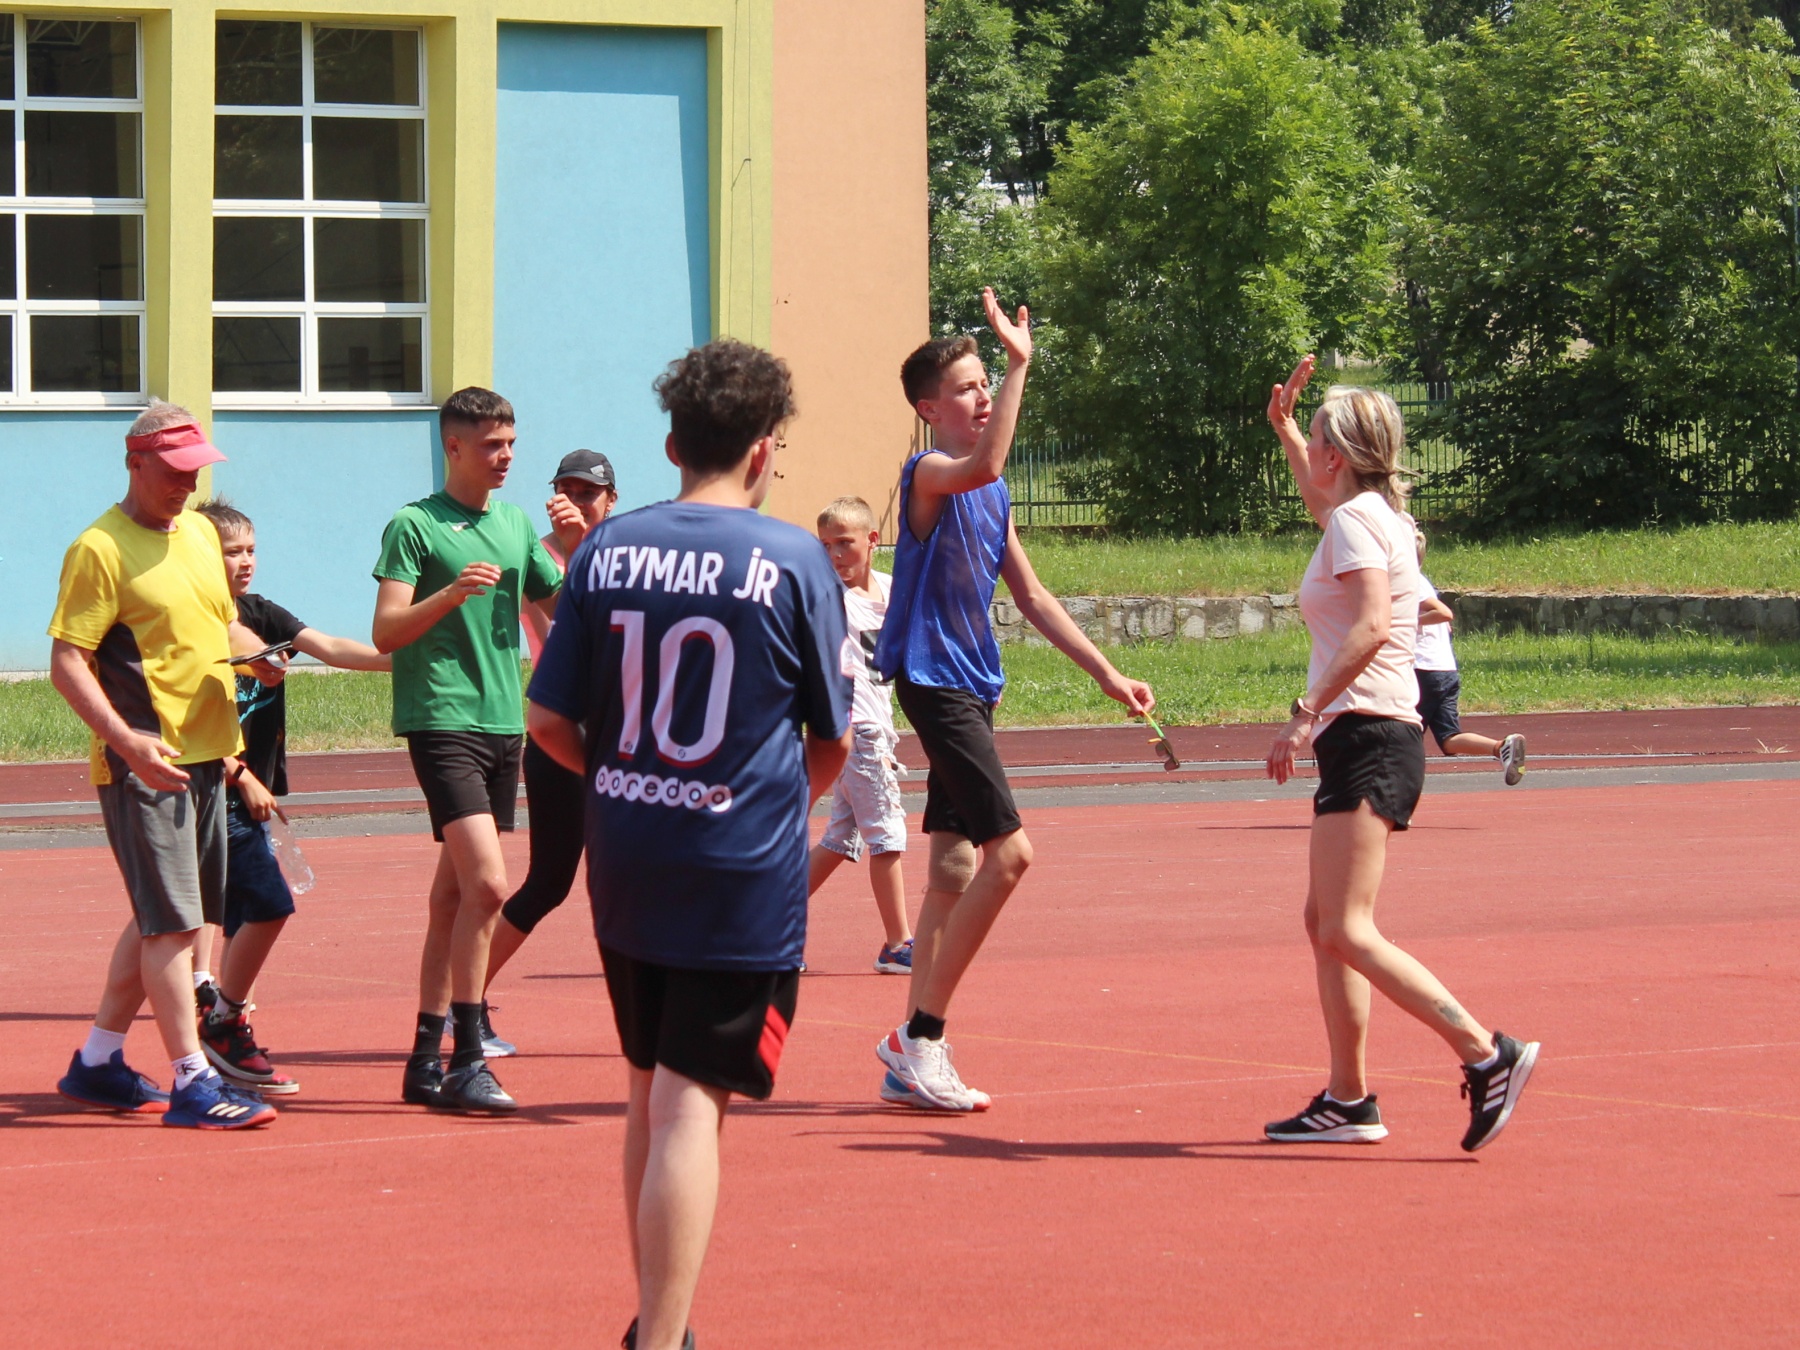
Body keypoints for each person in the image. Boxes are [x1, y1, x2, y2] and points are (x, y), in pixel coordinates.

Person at [527, 338, 851, 1350]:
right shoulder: (794, 559)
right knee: (689, 1106)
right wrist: (759, 802)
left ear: (672, 444)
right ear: (765, 450)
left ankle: (656, 1320)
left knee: (646, 1088)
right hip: (736, 871)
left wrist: (625, 783)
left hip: (628, 853)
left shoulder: (606, 550)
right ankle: (663, 1338)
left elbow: (547, 720)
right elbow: (831, 740)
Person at [871, 289, 1155, 1113]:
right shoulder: (929, 474)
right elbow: (986, 465)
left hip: (974, 684)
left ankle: (909, 1054)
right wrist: (1020, 363)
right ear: (930, 410)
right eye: (966, 387)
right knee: (1012, 855)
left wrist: (1106, 673)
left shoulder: (992, 497)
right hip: (934, 681)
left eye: (985, 383)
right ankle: (921, 1036)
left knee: (954, 864)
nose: (983, 394)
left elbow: (1032, 597)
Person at [1261, 356, 1538, 1152]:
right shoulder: (1369, 513)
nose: (1312, 450)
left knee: (1346, 928)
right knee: (1326, 922)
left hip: (1368, 732)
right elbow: (1320, 499)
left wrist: (1304, 713)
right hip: (1373, 734)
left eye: (1318, 437)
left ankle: (1487, 1052)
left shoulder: (1359, 521)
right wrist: (1286, 429)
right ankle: (1347, 1099)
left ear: (1339, 452)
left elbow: (1374, 624)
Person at [48, 403, 276, 1129]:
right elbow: (66, 661)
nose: (186, 484)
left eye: (195, 471)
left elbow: (219, 622)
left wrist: (260, 655)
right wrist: (126, 742)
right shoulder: (99, 548)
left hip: (208, 756)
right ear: (135, 463)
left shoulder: (201, 534)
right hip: (147, 764)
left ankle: (97, 1062)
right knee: (172, 926)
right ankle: (192, 1081)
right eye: (174, 471)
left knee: (169, 918)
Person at [373, 387, 563, 1115]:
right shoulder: (416, 525)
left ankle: (424, 1058)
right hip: (441, 716)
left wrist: (578, 546)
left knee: (453, 895)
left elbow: (567, 610)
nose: (505, 456)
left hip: (502, 722)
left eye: (510, 443)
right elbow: (387, 631)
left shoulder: (515, 525)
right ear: (453, 447)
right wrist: (450, 594)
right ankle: (466, 1056)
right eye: (491, 445)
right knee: (487, 885)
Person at [186, 498, 391, 1095]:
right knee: (243, 905)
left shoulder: (262, 613)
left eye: (251, 549)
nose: (245, 561)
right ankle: (214, 1015)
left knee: (234, 910)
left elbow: (330, 647)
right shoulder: (191, 621)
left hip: (251, 788)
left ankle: (222, 1018)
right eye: (232, 551)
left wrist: (406, 662)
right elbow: (185, 717)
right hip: (215, 785)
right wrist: (238, 773)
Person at [474, 448, 620, 1056]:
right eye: (568, 490)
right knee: (550, 881)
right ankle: (462, 1003)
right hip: (563, 730)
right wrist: (576, 546)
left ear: (612, 499)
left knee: (639, 876)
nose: (577, 501)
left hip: (624, 734)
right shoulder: (536, 556)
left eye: (590, 492)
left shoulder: (628, 555)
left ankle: (664, 1012)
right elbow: (570, 634)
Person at [807, 495, 914, 974]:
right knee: (887, 835)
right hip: (857, 730)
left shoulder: (892, 591)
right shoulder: (829, 598)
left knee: (839, 838)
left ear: (872, 540)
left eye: (843, 544)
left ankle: (762, 924)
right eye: (825, 545)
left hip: (879, 729)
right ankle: (898, 943)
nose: (834, 555)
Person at [1414, 529, 1526, 784]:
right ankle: (1501, 747)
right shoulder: (1421, 582)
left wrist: (1407, 622)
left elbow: (1444, 613)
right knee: (1449, 739)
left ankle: (1397, 794)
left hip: (1422, 670)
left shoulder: (1409, 582)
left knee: (1403, 735)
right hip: (1444, 670)